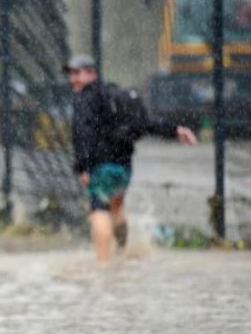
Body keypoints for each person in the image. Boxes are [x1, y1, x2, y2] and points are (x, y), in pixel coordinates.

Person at [64, 54, 198, 263]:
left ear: (92, 73)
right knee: (117, 208)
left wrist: (83, 167)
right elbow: (144, 123)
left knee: (99, 210)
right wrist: (175, 130)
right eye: (70, 74)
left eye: (77, 74)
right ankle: (120, 254)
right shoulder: (116, 95)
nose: (73, 79)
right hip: (124, 167)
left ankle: (103, 265)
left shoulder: (84, 98)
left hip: (100, 166)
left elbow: (82, 134)